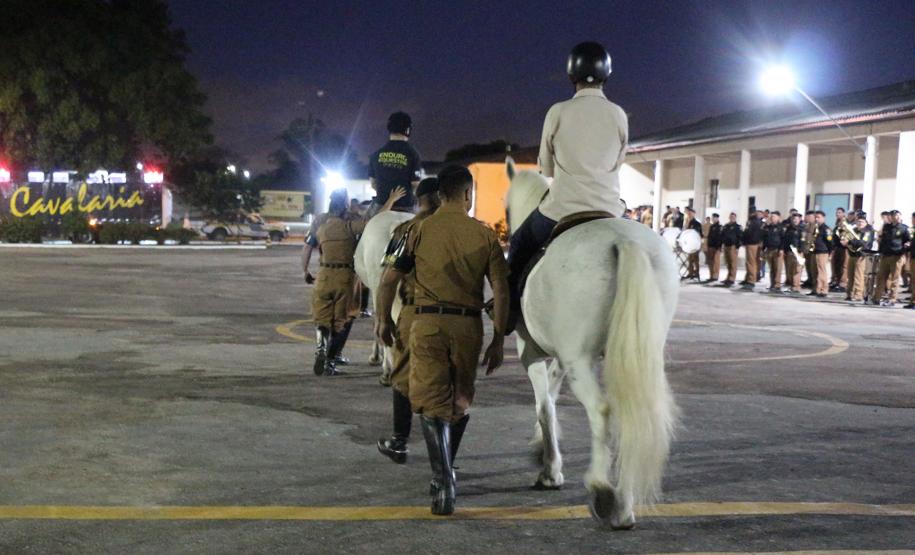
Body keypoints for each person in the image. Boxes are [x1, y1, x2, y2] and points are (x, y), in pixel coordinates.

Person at [375, 165, 509, 516]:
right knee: (458, 401)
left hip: (427, 323)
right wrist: (499, 339)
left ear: (440, 195)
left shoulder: (417, 230)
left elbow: (388, 280)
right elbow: (501, 290)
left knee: (430, 402)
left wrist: (381, 320)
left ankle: (444, 480)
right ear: (467, 195)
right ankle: (446, 470)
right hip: (469, 328)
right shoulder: (485, 235)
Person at [506, 41, 627, 328]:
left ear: (571, 74)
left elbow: (546, 167)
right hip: (610, 210)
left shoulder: (557, 112)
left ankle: (509, 313)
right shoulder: (619, 114)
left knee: (519, 243)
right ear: (606, 74)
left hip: (562, 208)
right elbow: (618, 163)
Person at [302, 187, 405, 376]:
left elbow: (307, 246)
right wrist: (390, 200)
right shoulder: (350, 222)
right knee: (346, 317)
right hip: (346, 276)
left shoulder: (320, 222)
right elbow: (374, 222)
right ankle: (331, 359)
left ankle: (321, 349)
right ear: (346, 203)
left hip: (323, 274)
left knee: (322, 318)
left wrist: (305, 270)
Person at [376, 177, 442, 464]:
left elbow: (387, 281)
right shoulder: (469, 229)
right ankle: (444, 455)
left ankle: (400, 440)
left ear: (419, 198)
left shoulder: (406, 230)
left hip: (417, 314)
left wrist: (382, 319)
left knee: (403, 376)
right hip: (460, 318)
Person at [367, 111, 422, 215]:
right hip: (406, 207)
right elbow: (415, 184)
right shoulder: (413, 154)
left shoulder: (376, 155)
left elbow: (373, 184)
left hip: (381, 206)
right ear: (408, 129)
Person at [873, 210, 909, 306]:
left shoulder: (904, 228)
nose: (895, 217)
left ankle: (892, 299)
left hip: (897, 256)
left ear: (900, 216)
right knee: (881, 277)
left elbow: (908, 240)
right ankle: (877, 297)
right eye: (893, 215)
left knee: (894, 278)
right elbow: (882, 240)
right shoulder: (886, 227)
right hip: (885, 255)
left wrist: (905, 246)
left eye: (897, 215)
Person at [841, 212, 875, 303]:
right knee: (850, 275)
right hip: (852, 255)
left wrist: (849, 242)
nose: (860, 223)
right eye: (858, 221)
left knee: (858, 276)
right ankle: (849, 294)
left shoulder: (868, 231)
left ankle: (858, 294)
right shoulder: (855, 230)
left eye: (862, 222)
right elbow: (846, 238)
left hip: (862, 255)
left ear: (866, 222)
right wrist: (844, 240)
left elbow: (863, 243)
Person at [808, 211, 833, 298]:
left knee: (821, 271)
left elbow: (830, 241)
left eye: (818, 217)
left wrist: (830, 252)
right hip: (814, 251)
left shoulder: (826, 229)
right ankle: (815, 289)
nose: (816, 219)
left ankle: (823, 289)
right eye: (816, 217)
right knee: (814, 271)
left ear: (823, 218)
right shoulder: (815, 228)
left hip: (822, 252)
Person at [782, 212, 804, 294]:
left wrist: (800, 251)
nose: (795, 220)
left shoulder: (802, 229)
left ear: (800, 220)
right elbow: (786, 240)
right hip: (790, 251)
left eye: (797, 219)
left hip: (798, 251)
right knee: (790, 269)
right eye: (793, 219)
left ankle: (796, 286)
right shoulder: (789, 229)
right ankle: (792, 285)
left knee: (797, 269)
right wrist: (785, 250)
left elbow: (803, 241)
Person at [762, 211, 784, 291]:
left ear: (778, 218)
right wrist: (763, 249)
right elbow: (764, 238)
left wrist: (781, 249)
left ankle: (777, 285)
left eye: (774, 216)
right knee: (772, 268)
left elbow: (783, 239)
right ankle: (772, 284)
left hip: (777, 250)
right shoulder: (767, 227)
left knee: (777, 268)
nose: (772, 218)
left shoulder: (781, 227)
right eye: (771, 217)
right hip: (769, 249)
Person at [741, 210, 763, 288]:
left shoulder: (755, 222)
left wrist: (745, 240)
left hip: (753, 243)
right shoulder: (753, 221)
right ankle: (748, 278)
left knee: (751, 262)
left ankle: (751, 280)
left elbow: (749, 232)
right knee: (750, 262)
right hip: (751, 243)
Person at [830, 207, 849, 292]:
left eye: (840, 212)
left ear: (844, 214)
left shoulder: (845, 223)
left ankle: (843, 284)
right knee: (836, 265)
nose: (837, 214)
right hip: (837, 247)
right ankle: (837, 282)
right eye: (837, 213)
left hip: (843, 248)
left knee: (843, 266)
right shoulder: (837, 223)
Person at [721, 213, 742, 286]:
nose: (732, 218)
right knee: (728, 262)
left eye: (733, 217)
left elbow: (740, 237)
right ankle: (728, 277)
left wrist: (737, 247)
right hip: (726, 245)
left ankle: (732, 278)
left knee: (733, 263)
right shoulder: (726, 226)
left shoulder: (737, 227)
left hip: (733, 246)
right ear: (729, 217)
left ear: (735, 218)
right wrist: (722, 244)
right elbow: (722, 235)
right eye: (731, 217)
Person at [683, 207, 702, 280]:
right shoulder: (688, 222)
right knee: (690, 259)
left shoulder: (696, 223)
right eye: (688, 213)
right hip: (689, 244)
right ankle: (690, 273)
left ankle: (697, 273)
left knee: (695, 259)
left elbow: (698, 234)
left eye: (691, 213)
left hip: (695, 243)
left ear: (694, 214)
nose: (689, 215)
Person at [705, 213, 723, 283]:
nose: (713, 219)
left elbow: (720, 237)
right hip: (711, 246)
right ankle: (711, 275)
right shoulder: (712, 226)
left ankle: (715, 276)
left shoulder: (720, 226)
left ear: (717, 218)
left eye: (714, 218)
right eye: (712, 218)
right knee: (711, 262)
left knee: (716, 262)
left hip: (716, 247)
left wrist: (719, 246)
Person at [801, 210, 817, 288]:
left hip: (813, 249)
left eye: (810, 217)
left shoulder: (816, 226)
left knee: (812, 267)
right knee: (808, 266)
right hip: (806, 249)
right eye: (807, 216)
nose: (808, 218)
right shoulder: (806, 225)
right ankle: (809, 279)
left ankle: (813, 281)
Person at [905, 212, 915, 309]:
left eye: (912, 218)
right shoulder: (913, 230)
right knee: (913, 280)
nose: (911, 220)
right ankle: (912, 302)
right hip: (913, 256)